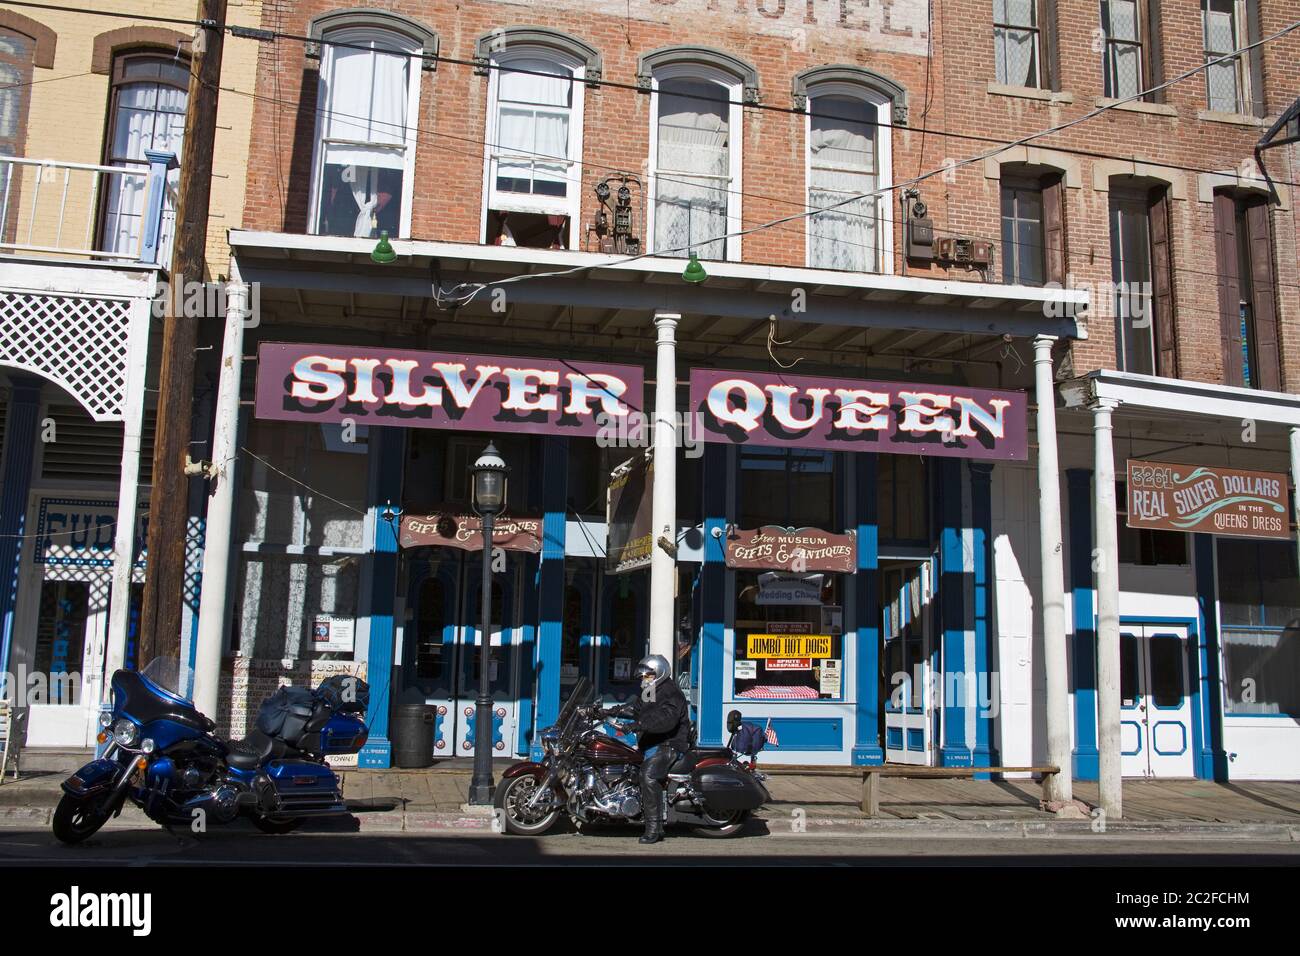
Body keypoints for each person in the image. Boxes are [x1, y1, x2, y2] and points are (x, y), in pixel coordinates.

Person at [604, 654, 689, 844]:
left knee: (648, 776)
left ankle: (654, 829)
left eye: (648, 675)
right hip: (651, 742)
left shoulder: (671, 692)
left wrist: (637, 725)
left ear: (659, 673)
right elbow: (636, 708)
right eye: (643, 676)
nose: (644, 679)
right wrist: (609, 711)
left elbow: (666, 719)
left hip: (669, 743)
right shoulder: (651, 689)